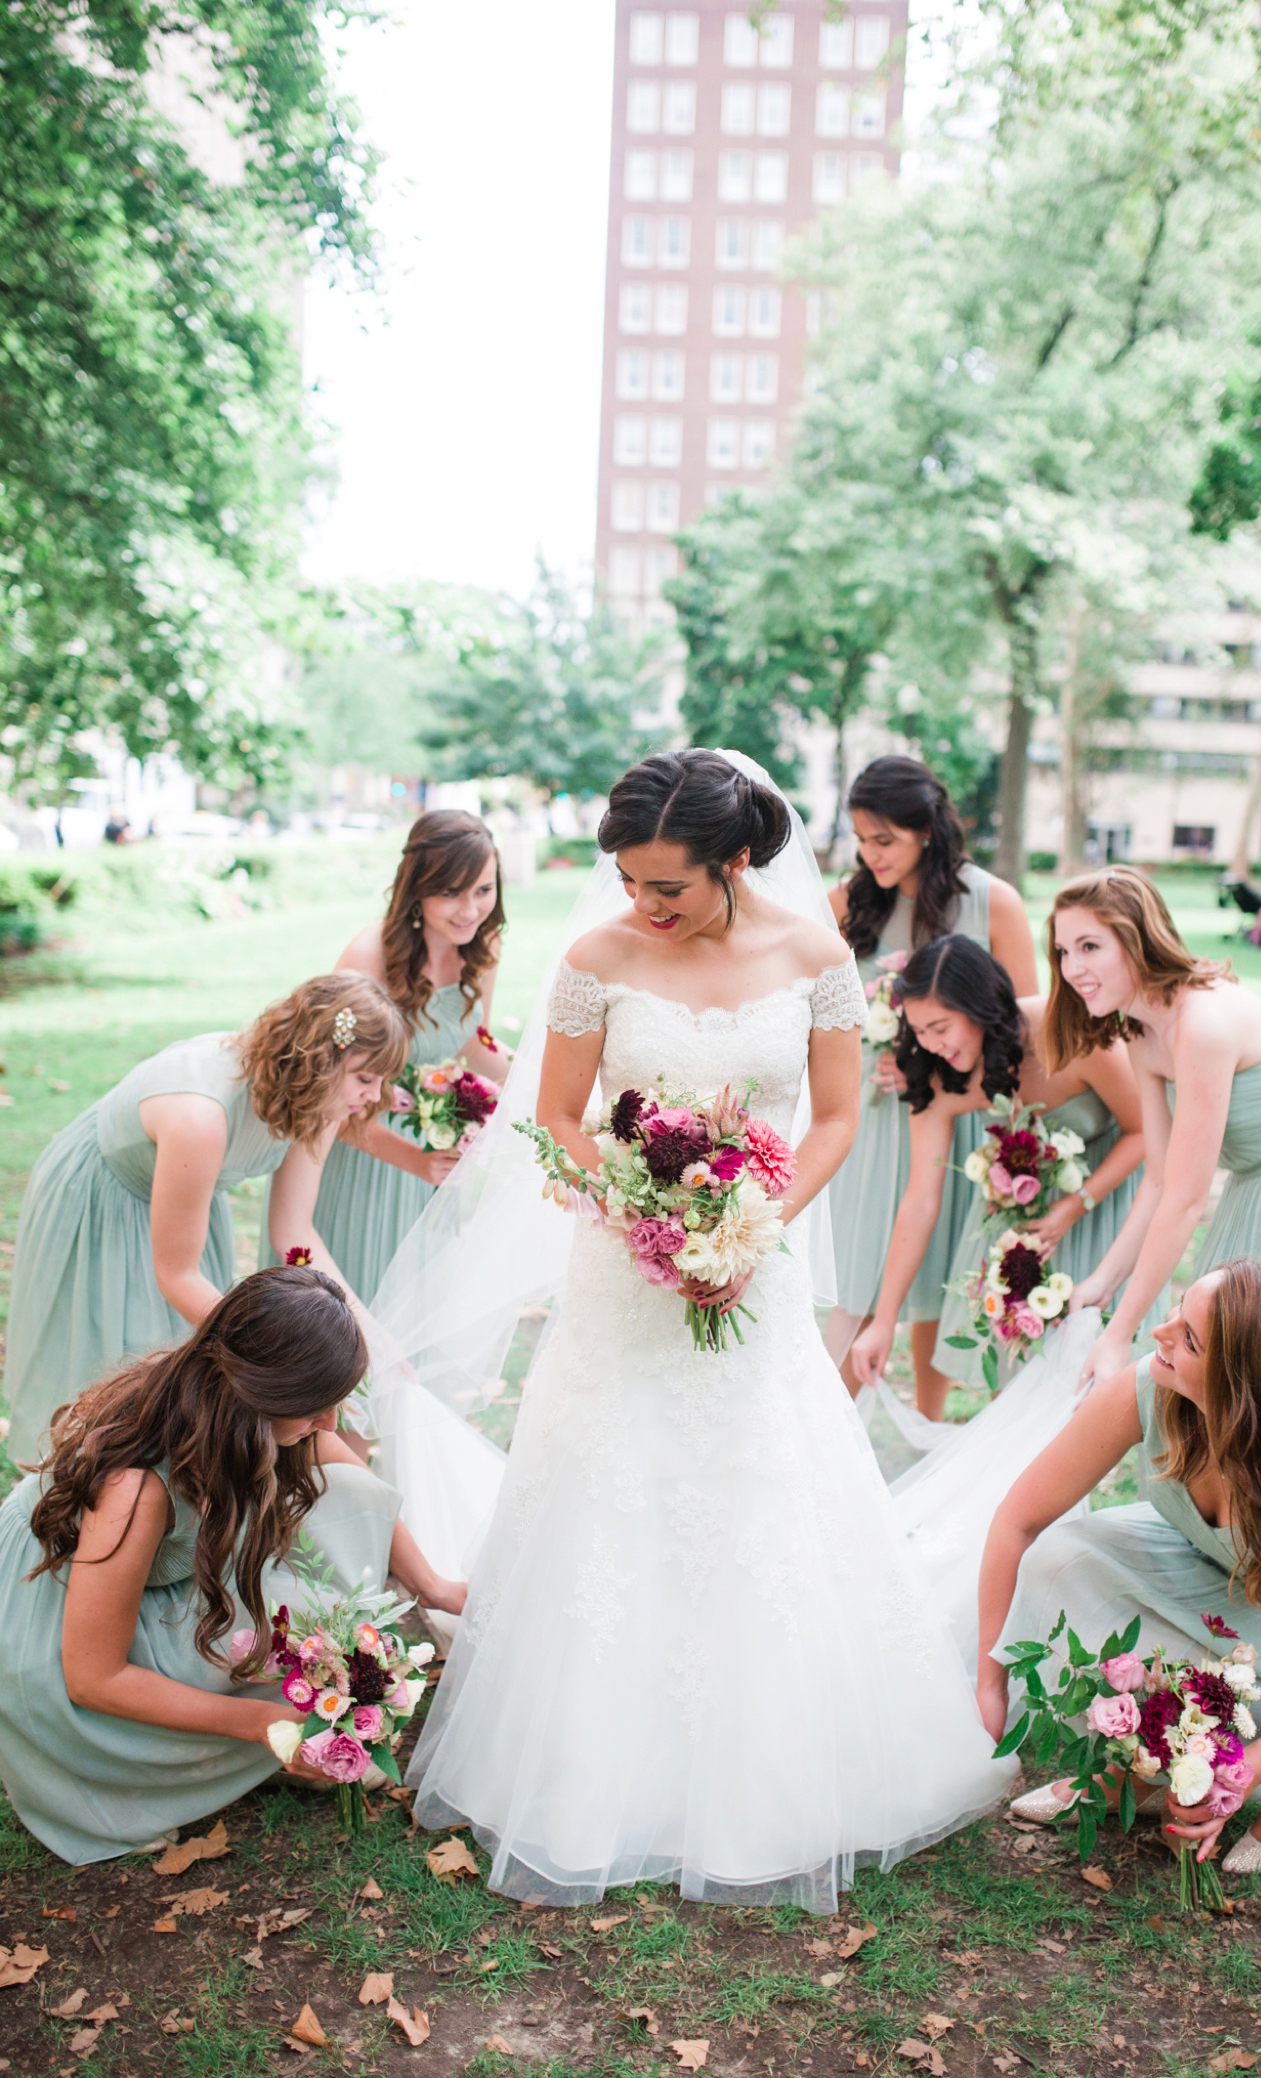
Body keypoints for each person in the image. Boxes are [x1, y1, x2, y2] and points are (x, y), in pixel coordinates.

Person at [400, 750, 1016, 1910]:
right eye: (628, 880)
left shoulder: (813, 955)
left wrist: (748, 1228)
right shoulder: (595, 959)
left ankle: (764, 1765)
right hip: (622, 1276)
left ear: (735, 861)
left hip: (756, 1262)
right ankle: (589, 1767)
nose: (644, 904)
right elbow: (557, 1121)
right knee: (610, 1487)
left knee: (756, 1486)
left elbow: (833, 1118)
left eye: (668, 886)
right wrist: (643, 1215)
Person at [0, 1266, 466, 1865]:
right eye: (314, 1407)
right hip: (56, 1623)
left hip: (154, 1577)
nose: (330, 1424)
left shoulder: (232, 1405)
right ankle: (131, 1772)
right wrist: (262, 1725)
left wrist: (428, 1584)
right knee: (260, 1663)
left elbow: (338, 1461)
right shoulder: (134, 1490)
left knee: (344, 1511)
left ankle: (263, 1728)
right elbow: (94, 1676)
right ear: (262, 1393)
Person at [976, 1263, 1261, 1875]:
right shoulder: (1146, 1389)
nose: (1159, 1334)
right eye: (1175, 1313)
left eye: (1189, 1338)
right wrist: (992, 1683)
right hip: (1205, 1579)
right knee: (1057, 1562)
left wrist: (1256, 1764)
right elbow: (1018, 1520)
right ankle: (1139, 1766)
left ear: (1245, 1386)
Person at [1051, 868, 1261, 1505]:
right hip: (1257, 1185)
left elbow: (1186, 1197)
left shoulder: (1201, 1022)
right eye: (1063, 951)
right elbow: (1157, 1177)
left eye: (1090, 946)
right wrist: (1101, 1284)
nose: (1073, 968)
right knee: (1226, 1368)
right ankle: (1239, 1526)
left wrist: (1116, 1334)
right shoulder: (1140, 1029)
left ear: (1137, 939)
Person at [4, 973, 408, 1463]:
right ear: (319, 1061)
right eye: (366, 1078)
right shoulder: (200, 1116)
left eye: (383, 1081)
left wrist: (368, 1332)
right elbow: (177, 1274)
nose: (375, 1097)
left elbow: (294, 1231)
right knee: (116, 1373)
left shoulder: (319, 1103)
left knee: (183, 1375)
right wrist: (269, 1360)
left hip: (188, 1197)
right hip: (102, 1197)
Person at [850, 935, 1148, 1416]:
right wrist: (884, 1322)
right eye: (919, 1030)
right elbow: (920, 1202)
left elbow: (1143, 1132)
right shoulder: (938, 1077)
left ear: (980, 1007)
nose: (931, 1044)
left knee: (1086, 1397)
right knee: (1011, 1390)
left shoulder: (1067, 1032)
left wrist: (1074, 1207)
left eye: (941, 1027)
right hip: (1018, 1227)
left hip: (1100, 1206)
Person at [825, 757, 1037, 1416]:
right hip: (873, 1111)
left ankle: (926, 1429)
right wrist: (873, 1049)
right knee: (863, 1277)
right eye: (861, 838)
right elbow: (814, 1007)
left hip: (962, 1112)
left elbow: (1023, 1015)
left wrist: (942, 1065)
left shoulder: (992, 899)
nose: (870, 854)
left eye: (884, 838)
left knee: (942, 1277)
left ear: (926, 829)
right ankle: (823, 1434)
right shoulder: (848, 901)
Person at [280, 812, 509, 1303]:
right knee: (345, 1314)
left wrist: (534, 1082)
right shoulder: (368, 957)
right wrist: (414, 1159)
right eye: (451, 892)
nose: (470, 909)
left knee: (414, 1306)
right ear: (418, 888)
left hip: (431, 1157)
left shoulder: (482, 947)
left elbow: (473, 1038)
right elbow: (327, 1089)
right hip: (363, 1142)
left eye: (483, 890)